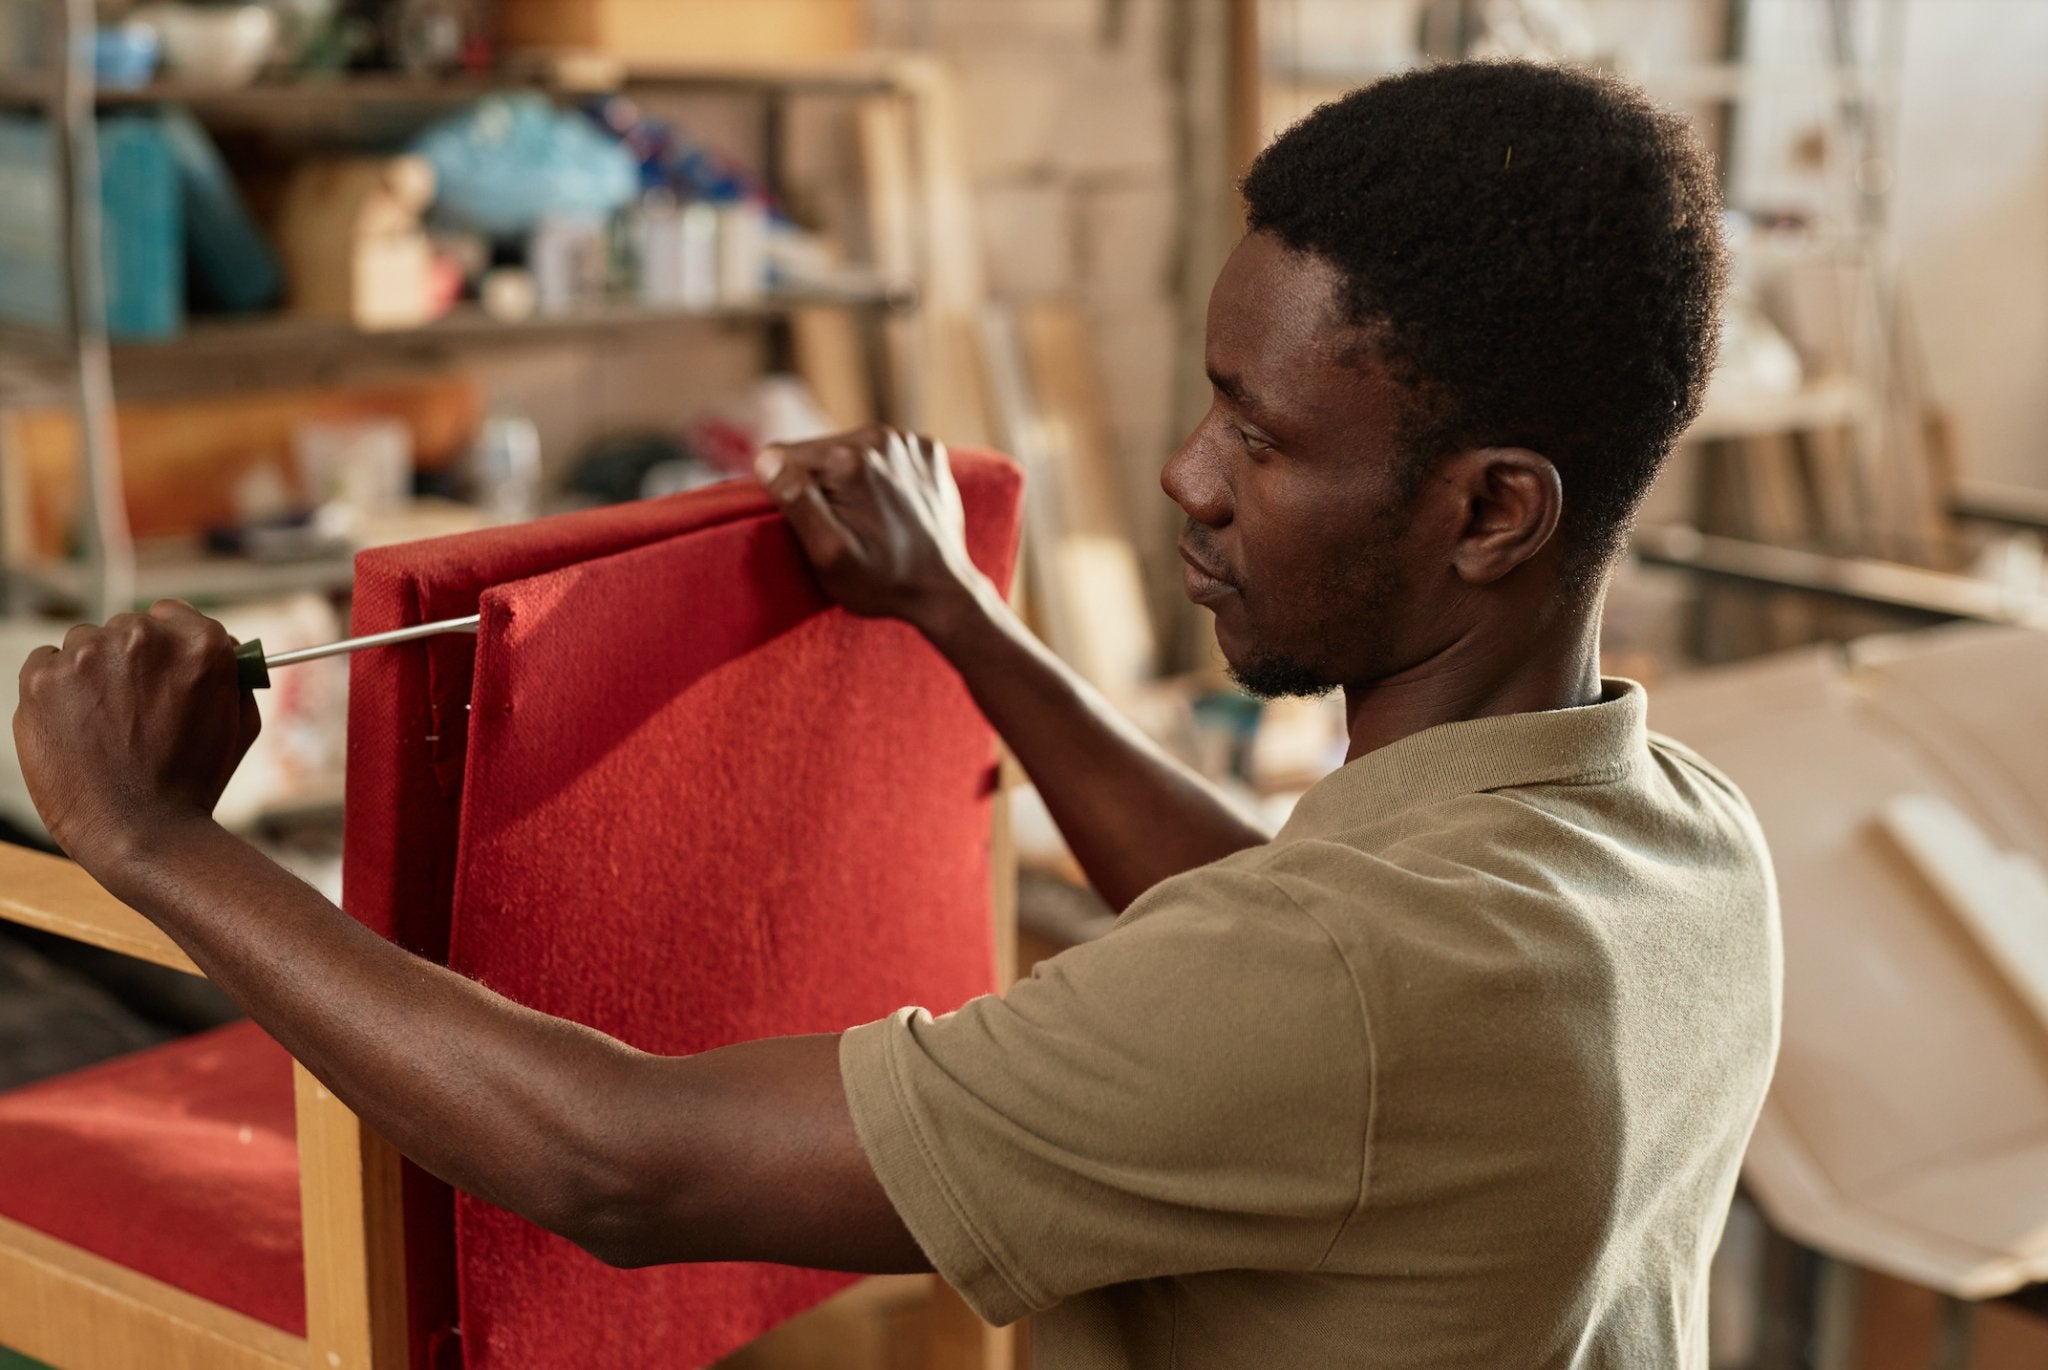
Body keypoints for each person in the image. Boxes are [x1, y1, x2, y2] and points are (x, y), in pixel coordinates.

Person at [12, 61, 1777, 1368]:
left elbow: (620, 1162)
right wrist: (961, 616)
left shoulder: (1345, 987)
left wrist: (155, 840)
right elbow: (1264, 915)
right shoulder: (1677, 837)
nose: (1187, 474)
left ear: (1492, 513)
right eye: (1208, 400)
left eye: (1262, 435)